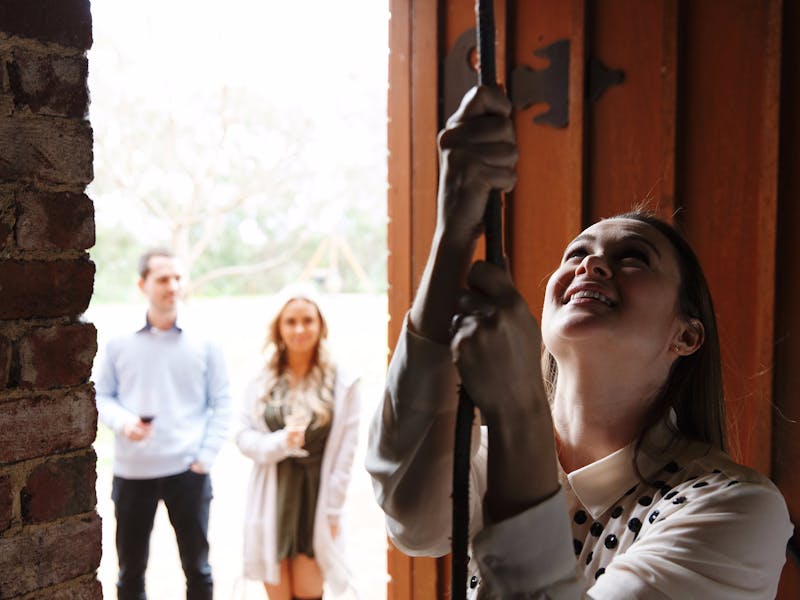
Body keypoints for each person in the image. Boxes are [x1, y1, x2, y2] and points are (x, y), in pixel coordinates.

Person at [365, 85, 793, 598]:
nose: (590, 265)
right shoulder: (483, 458)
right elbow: (412, 519)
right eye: (576, 254)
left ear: (687, 334)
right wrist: (453, 231)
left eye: (633, 257)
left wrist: (516, 407)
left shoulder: (735, 509)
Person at [95, 248, 232, 600]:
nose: (172, 285)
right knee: (130, 572)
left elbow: (222, 402)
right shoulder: (118, 341)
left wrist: (206, 456)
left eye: (176, 277)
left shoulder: (206, 340)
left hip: (189, 471)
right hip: (132, 472)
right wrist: (125, 422)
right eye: (162, 279)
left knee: (198, 570)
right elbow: (101, 396)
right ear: (143, 284)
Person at [235, 285, 360, 600]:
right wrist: (279, 443)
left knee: (309, 591)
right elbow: (243, 436)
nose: (300, 329)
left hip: (316, 498)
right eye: (291, 321)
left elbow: (346, 453)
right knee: (277, 592)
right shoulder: (260, 377)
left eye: (308, 320)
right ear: (279, 327)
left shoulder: (343, 381)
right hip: (273, 496)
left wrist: (332, 511)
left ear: (321, 325)